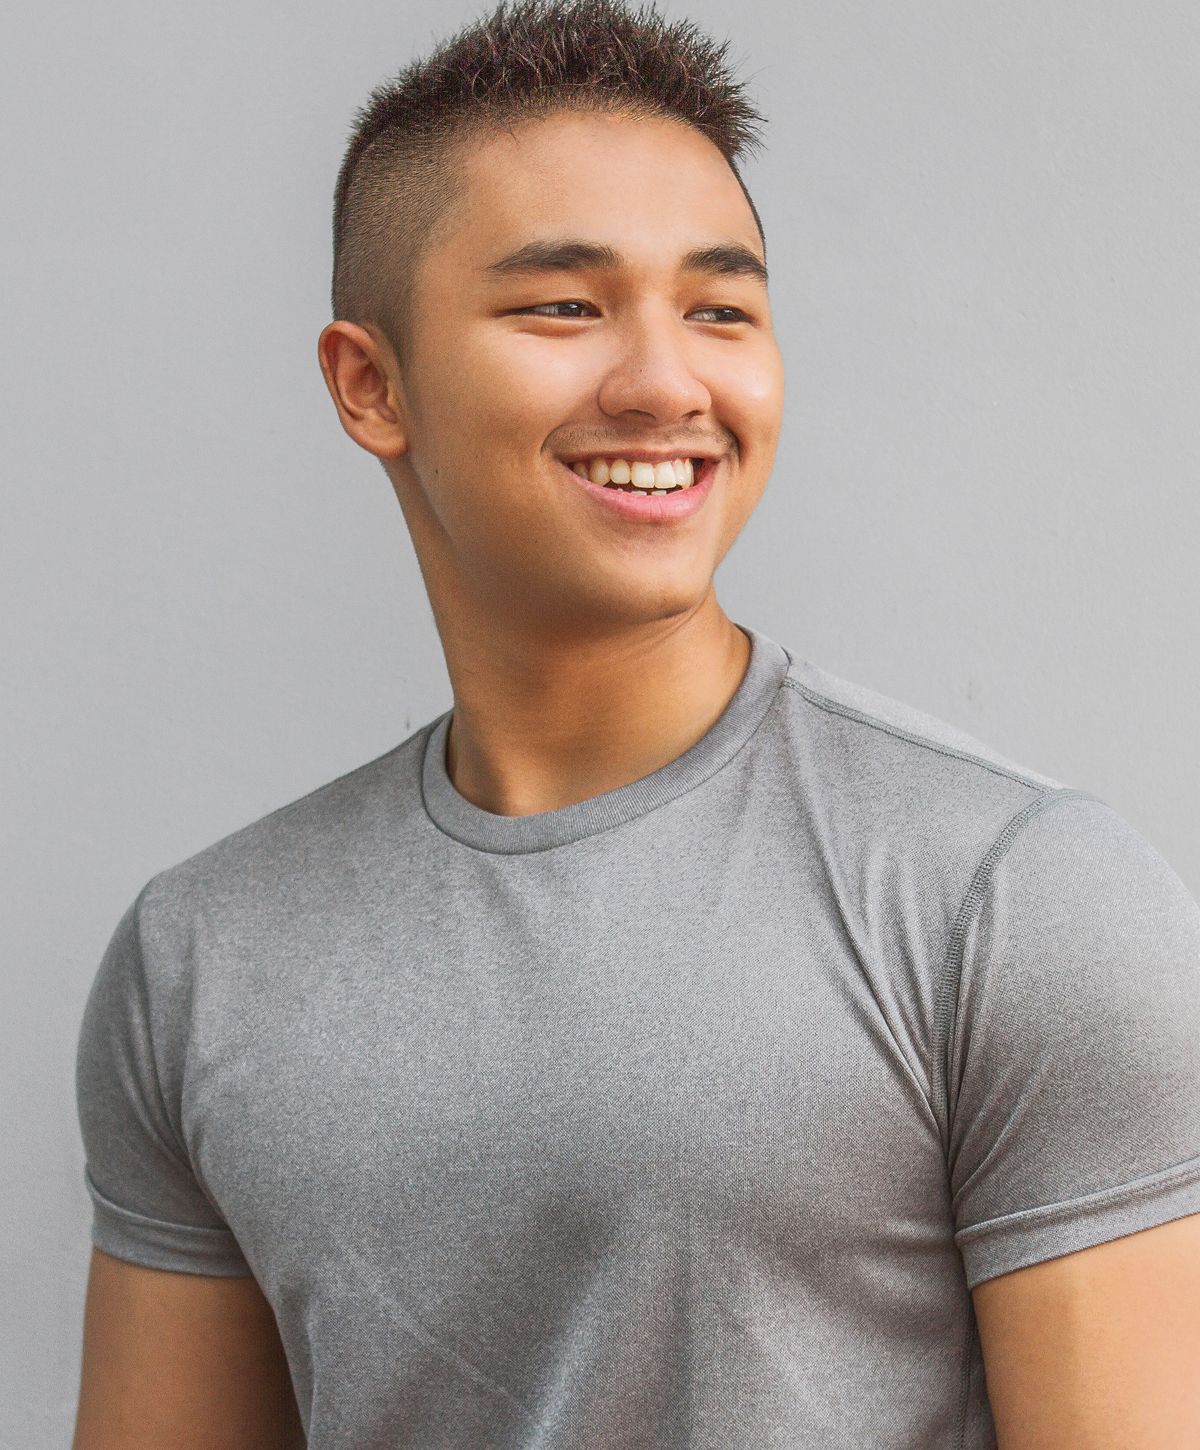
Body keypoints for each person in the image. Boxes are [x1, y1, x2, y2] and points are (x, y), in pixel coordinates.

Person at [72, 0, 1200, 1445]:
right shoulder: (199, 961)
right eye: (565, 305)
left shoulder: (1015, 899)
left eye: (721, 307)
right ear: (371, 383)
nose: (670, 383)